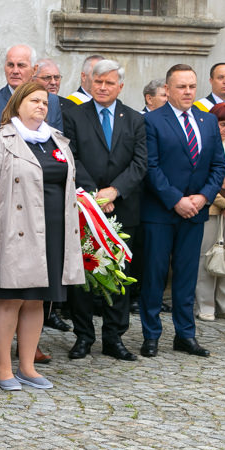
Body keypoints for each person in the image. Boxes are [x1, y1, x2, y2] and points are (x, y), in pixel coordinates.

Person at [0, 82, 83, 391]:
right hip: (14, 229)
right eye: (35, 100)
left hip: (52, 230)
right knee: (10, 299)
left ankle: (27, 366)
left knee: (37, 301)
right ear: (18, 104)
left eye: (45, 103)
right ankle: (4, 367)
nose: (41, 106)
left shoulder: (55, 141)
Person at [139, 64, 225, 358]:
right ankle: (151, 335)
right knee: (155, 274)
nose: (188, 92)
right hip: (161, 212)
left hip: (196, 212)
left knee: (188, 275)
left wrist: (203, 198)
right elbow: (150, 167)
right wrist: (177, 200)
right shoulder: (152, 121)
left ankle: (185, 335)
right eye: (181, 87)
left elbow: (218, 165)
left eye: (192, 86)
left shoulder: (207, 121)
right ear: (167, 89)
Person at [64, 60, 147, 361]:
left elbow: (140, 163)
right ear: (90, 82)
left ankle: (114, 337)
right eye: (98, 81)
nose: (102, 87)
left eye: (109, 83)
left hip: (124, 207)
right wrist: (96, 196)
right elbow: (70, 157)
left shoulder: (135, 120)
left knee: (119, 273)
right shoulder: (73, 115)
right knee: (84, 274)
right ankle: (83, 336)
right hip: (85, 207)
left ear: (120, 86)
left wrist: (115, 191)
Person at [194, 103, 225, 323]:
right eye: (223, 124)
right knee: (207, 257)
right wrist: (223, 202)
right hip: (211, 208)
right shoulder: (204, 143)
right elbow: (204, 178)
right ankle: (205, 304)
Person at [0, 44, 63, 139]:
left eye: (21, 65)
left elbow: (58, 144)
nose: (15, 71)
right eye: (10, 65)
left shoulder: (52, 101)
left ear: (34, 70)